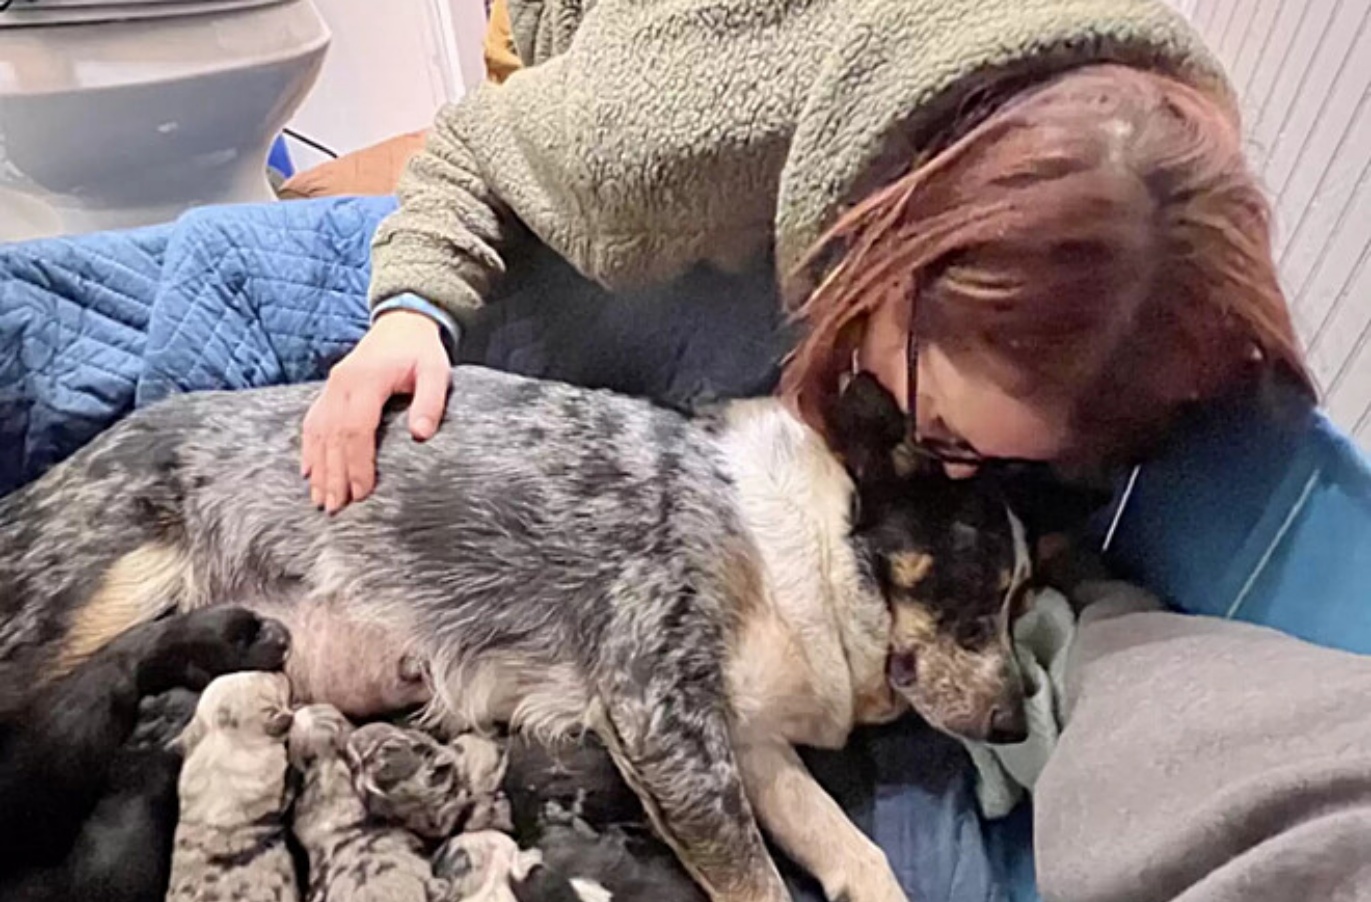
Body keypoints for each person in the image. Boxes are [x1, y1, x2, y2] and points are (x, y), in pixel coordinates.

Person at [299, 0, 1312, 513]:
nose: (950, 475)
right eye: (947, 433)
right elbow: (474, 148)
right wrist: (406, 314)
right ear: (887, 260)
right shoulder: (653, 151)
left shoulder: (1160, 144)